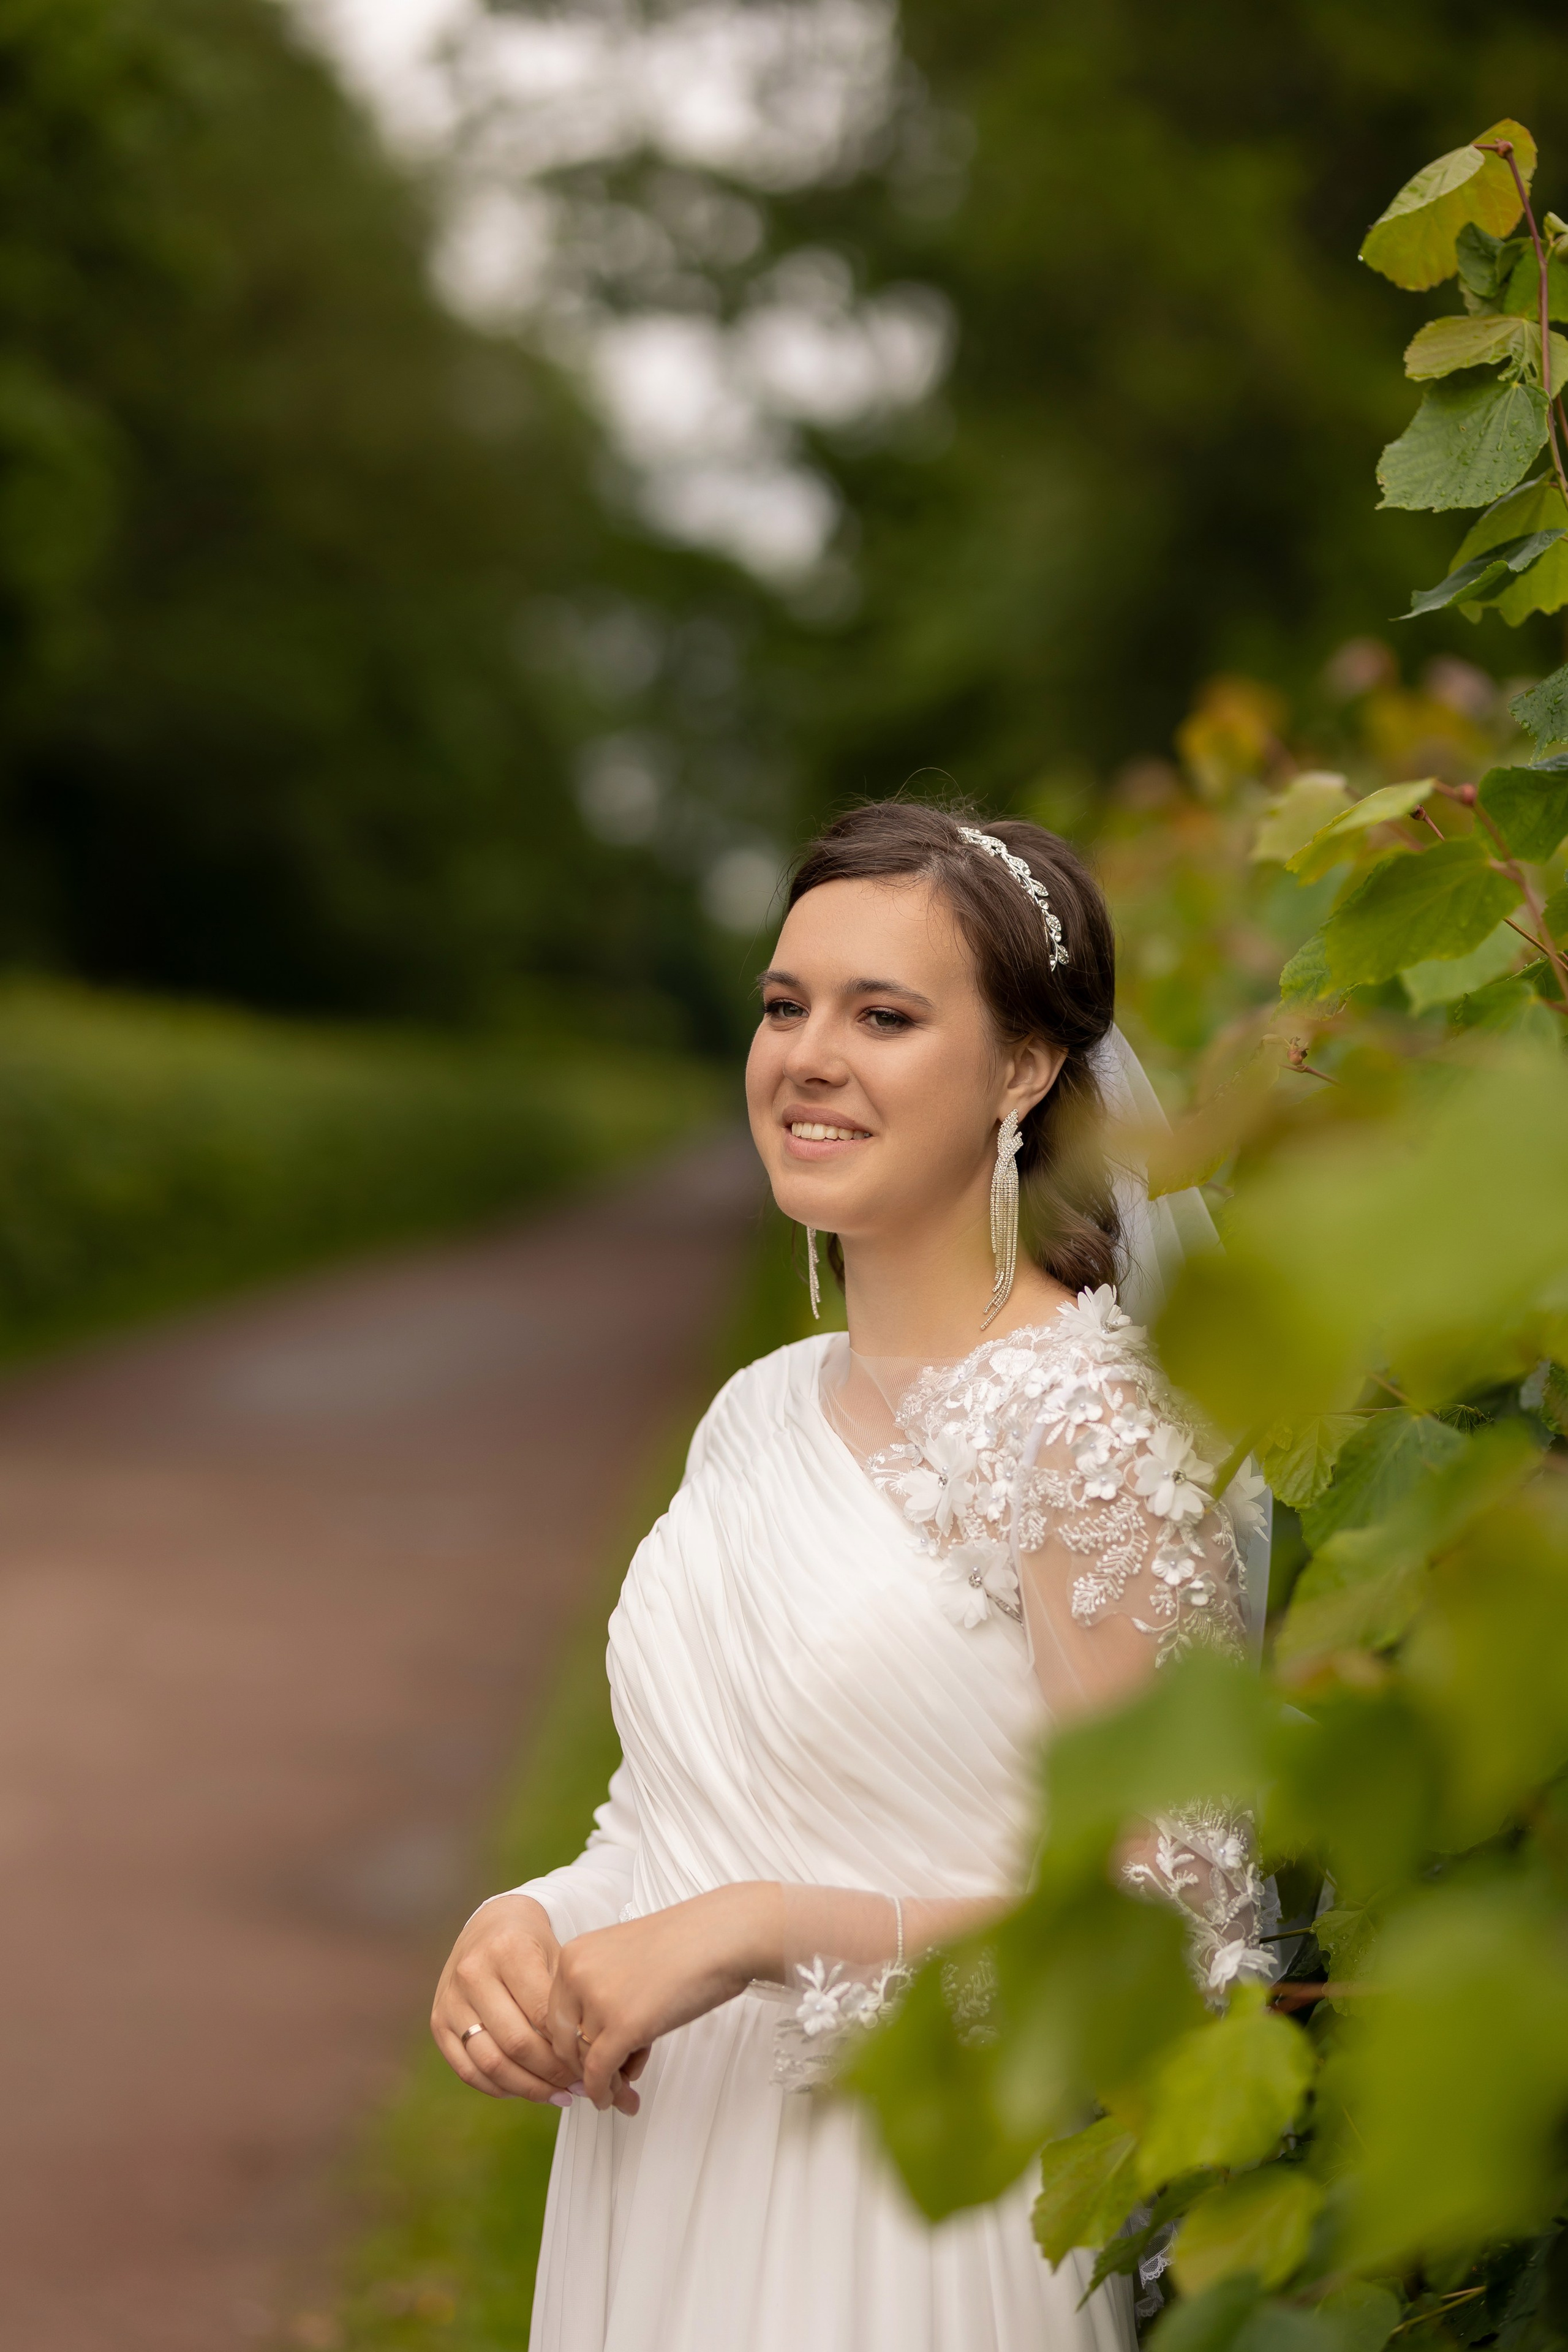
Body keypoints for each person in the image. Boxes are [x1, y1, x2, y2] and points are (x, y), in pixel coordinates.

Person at [431, 802, 1270, 2352]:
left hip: (915, 2234)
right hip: (660, 2179)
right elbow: (678, 1807)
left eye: (882, 1015)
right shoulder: (759, 1409)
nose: (807, 1056)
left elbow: (1175, 1928)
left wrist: (761, 1930)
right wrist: (540, 1914)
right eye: (782, 1005)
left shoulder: (1084, 1434)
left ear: (1022, 1070)